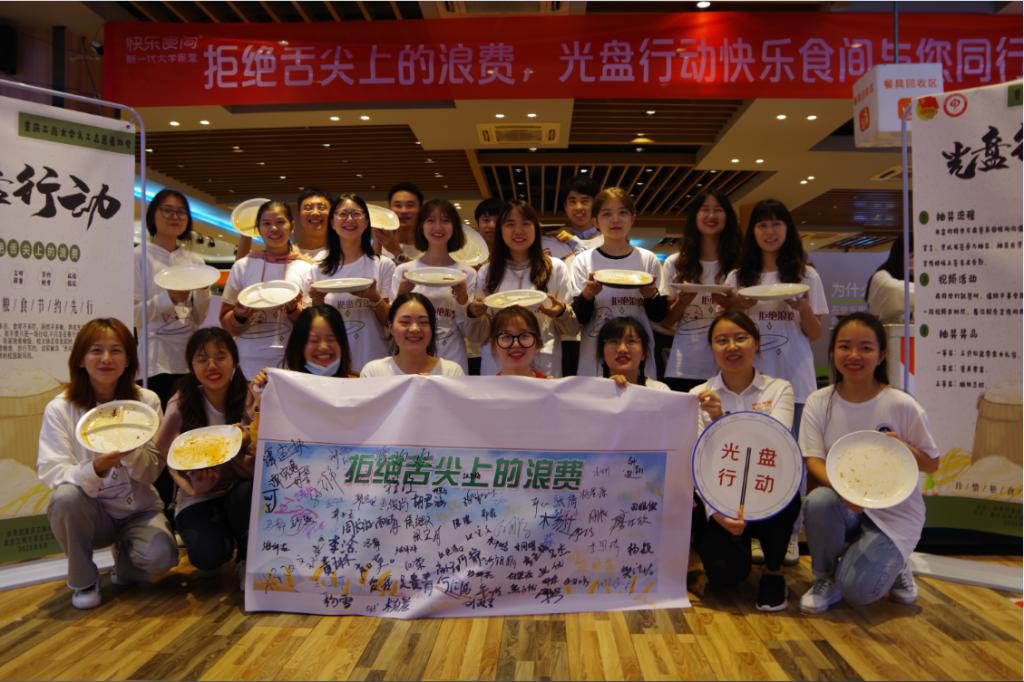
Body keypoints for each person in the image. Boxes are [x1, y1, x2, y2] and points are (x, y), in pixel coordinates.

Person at [799, 312, 938, 613]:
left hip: (894, 512)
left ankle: (898, 563)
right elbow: (814, 460)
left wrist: (904, 448)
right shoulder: (818, 402)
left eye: (865, 348)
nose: (854, 355)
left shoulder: (901, 404)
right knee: (819, 501)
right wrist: (844, 491)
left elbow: (931, 463)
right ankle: (824, 578)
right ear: (833, 351)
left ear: (882, 355)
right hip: (844, 504)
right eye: (844, 346)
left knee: (857, 592)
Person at [38, 318, 179, 609]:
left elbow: (153, 470)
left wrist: (130, 453)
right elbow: (52, 470)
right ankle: (83, 579)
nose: (106, 358)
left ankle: (125, 563)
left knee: (162, 557)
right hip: (92, 512)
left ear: (128, 360)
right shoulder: (60, 408)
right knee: (65, 498)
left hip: (137, 509)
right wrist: (96, 468)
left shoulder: (147, 402)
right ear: (80, 359)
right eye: (96, 350)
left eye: (116, 350)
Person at [689, 311, 799, 611]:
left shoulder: (779, 389)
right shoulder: (698, 395)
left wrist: (720, 418)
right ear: (712, 348)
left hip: (767, 490)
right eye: (721, 340)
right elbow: (697, 461)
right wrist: (715, 512)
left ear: (756, 343)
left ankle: (774, 572)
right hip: (721, 497)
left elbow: (774, 443)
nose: (732, 347)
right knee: (725, 577)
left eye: (741, 338)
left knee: (789, 492)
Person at [152, 328, 252, 583]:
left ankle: (247, 557)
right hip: (197, 495)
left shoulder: (250, 396)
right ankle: (224, 539)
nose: (212, 366)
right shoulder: (182, 402)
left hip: (240, 489)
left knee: (247, 495)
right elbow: (167, 454)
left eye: (220, 357)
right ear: (191, 366)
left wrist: (247, 439)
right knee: (207, 556)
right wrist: (193, 487)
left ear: (235, 361)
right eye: (202, 359)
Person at [571, 188, 667, 378]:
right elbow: (578, 319)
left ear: (632, 218)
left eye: (622, 213)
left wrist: (650, 295)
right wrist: (588, 295)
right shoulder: (583, 261)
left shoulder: (647, 259)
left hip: (637, 353)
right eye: (607, 214)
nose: (615, 220)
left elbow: (659, 316)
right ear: (595, 222)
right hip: (595, 354)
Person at [474, 200, 577, 377]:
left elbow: (572, 330)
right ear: (500, 230)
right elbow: (479, 334)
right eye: (510, 224)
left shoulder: (555, 268)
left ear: (536, 228)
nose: (518, 231)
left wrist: (561, 313)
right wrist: (474, 313)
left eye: (526, 223)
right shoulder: (487, 272)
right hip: (498, 361)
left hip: (544, 356)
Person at [134, 188, 212, 408]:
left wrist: (203, 291)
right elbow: (133, 315)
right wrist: (169, 298)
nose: (174, 217)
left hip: (189, 359)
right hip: (154, 362)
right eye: (167, 210)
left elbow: (197, 318)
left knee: (189, 420)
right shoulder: (138, 256)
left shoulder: (195, 261)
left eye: (181, 212)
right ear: (153, 216)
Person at [220, 201, 315, 379]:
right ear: (259, 229)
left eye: (280, 222)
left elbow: (313, 325)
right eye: (266, 223)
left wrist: (294, 310)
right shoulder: (243, 266)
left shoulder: (306, 268)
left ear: (292, 226)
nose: (274, 228)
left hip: (292, 360)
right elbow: (226, 324)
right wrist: (239, 315)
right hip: (247, 359)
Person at [392, 199, 487, 373]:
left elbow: (471, 334)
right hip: (410, 357)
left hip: (452, 356)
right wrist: (401, 295)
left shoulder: (466, 274)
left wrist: (464, 301)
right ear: (421, 226)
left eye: (445, 220)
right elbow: (391, 325)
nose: (438, 227)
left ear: (454, 227)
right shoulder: (404, 271)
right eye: (430, 220)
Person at [660, 190, 742, 392]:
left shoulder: (741, 264)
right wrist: (683, 301)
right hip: (685, 365)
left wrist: (732, 305)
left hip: (732, 363)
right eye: (705, 210)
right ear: (694, 216)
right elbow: (666, 322)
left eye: (718, 210)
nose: (711, 216)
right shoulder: (675, 263)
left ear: (727, 217)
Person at [309, 194, 395, 373]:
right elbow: (311, 324)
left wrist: (375, 298)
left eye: (356, 214)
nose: (349, 219)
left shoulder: (383, 264)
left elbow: (391, 322)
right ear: (332, 222)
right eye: (343, 214)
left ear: (366, 221)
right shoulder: (318, 266)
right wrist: (317, 301)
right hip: (330, 361)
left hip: (374, 360)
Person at [360, 293, 465, 377]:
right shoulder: (373, 372)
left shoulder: (451, 372)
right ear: (391, 327)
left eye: (423, 322)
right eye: (405, 322)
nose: (415, 329)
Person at [597, 316, 669, 391]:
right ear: (602, 352)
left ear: (643, 353)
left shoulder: (659, 390)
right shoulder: (592, 388)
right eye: (614, 341)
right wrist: (607, 388)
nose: (622, 349)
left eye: (631, 341)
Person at [541, 174, 602, 261]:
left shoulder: (606, 241)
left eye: (584, 201)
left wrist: (573, 241)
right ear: (565, 207)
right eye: (572, 201)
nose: (578, 207)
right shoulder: (551, 241)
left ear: (596, 205)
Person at [866, 234, 915, 324]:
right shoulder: (881, 276)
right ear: (899, 256)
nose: (917, 261)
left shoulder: (913, 278)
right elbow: (893, 290)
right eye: (912, 256)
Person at [489, 306, 549, 378]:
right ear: (493, 345)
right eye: (506, 336)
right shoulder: (486, 385)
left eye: (524, 336)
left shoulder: (551, 384)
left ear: (538, 343)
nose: (516, 344)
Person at [376, 182, 423, 264]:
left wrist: (396, 251)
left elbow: (423, 271)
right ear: (390, 209)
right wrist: (376, 244)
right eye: (398, 205)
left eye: (410, 205)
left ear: (420, 209)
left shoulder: (431, 245)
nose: (403, 211)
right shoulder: (382, 243)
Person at [292, 188, 333, 262]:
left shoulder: (344, 252)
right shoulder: (288, 253)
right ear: (299, 214)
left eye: (321, 208)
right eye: (308, 208)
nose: (315, 213)